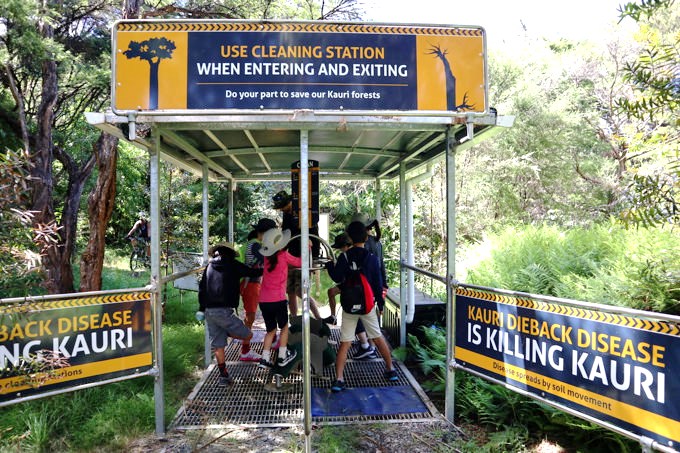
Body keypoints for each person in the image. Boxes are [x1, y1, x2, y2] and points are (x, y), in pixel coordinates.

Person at [325, 221, 398, 392]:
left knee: (345, 342)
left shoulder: (344, 257)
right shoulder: (371, 258)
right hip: (367, 304)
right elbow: (377, 283)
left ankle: (339, 379)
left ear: (349, 237)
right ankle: (390, 369)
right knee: (378, 337)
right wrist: (380, 304)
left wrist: (329, 264)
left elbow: (337, 277)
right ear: (366, 238)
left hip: (349, 305)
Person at [197, 243, 263, 386]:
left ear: (217, 253)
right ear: (230, 253)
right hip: (224, 311)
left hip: (209, 311)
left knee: (218, 346)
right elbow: (253, 273)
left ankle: (223, 377)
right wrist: (267, 266)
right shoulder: (233, 265)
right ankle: (227, 332)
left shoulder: (208, 267)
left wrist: (201, 309)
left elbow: (202, 289)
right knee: (248, 335)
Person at [272, 190, 325, 321]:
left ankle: (318, 318)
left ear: (289, 203)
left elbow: (315, 237)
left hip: (305, 255)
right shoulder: (287, 214)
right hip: (291, 255)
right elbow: (285, 233)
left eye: (282, 207)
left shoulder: (305, 213)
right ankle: (294, 320)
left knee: (302, 292)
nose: (281, 210)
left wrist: (314, 259)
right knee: (290, 291)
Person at [257, 227, 300, 369]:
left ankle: (265, 358)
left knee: (271, 330)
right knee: (284, 327)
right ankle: (282, 356)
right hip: (279, 299)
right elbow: (300, 262)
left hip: (264, 301)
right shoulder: (284, 256)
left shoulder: (266, 257)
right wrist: (309, 247)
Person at [348, 212, 388, 359]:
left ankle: (368, 346)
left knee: (361, 314)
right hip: (378, 282)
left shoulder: (364, 244)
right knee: (373, 314)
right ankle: (370, 345)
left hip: (365, 284)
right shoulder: (377, 242)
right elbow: (381, 264)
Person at [238, 219, 276, 361]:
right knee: (250, 317)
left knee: (266, 311)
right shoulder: (255, 245)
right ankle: (245, 350)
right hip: (251, 284)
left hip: (255, 284)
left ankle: (273, 340)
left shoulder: (255, 244)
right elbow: (268, 260)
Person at [323, 232, 352, 325]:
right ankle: (333, 317)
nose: (340, 249)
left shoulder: (344, 256)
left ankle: (333, 316)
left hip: (349, 285)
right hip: (358, 284)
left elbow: (337, 277)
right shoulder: (357, 253)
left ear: (344, 246)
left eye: (340, 247)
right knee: (331, 292)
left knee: (331, 292)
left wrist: (330, 266)